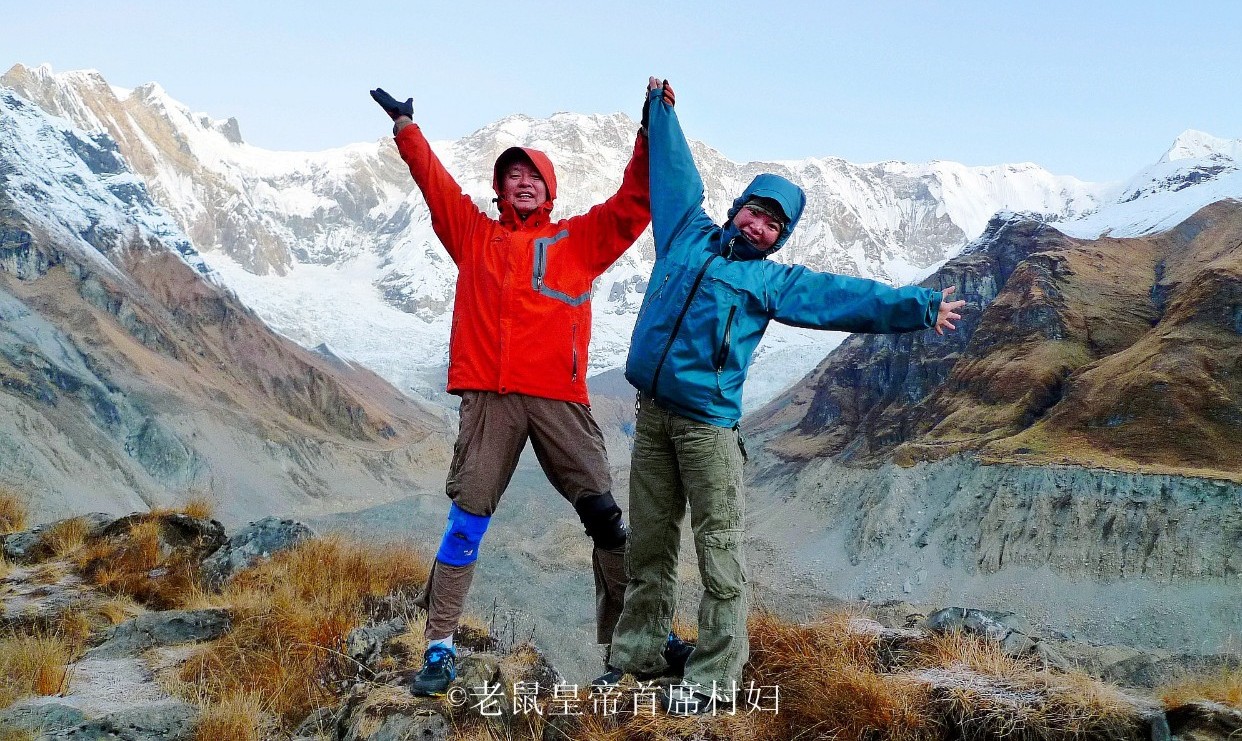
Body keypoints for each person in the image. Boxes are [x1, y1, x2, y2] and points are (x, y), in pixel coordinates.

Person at [600, 78, 967, 715]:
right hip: (653, 416)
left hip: (708, 430)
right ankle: (638, 657)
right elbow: (677, 171)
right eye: (756, 212)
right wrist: (660, 112)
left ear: (782, 236)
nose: (760, 226)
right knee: (651, 545)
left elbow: (843, 297)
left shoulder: (771, 281)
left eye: (775, 224)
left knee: (719, 550)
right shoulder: (684, 232)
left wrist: (920, 306)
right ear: (738, 207)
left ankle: (712, 681)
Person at [369, 87, 685, 695]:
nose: (522, 182)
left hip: (559, 401)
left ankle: (633, 643)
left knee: (607, 522)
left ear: (550, 189)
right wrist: (408, 128)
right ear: (498, 188)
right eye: (512, 175)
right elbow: (435, 185)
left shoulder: (580, 241)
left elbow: (635, 202)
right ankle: (438, 647)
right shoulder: (472, 236)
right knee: (466, 521)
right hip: (489, 398)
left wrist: (652, 132)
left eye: (532, 175)